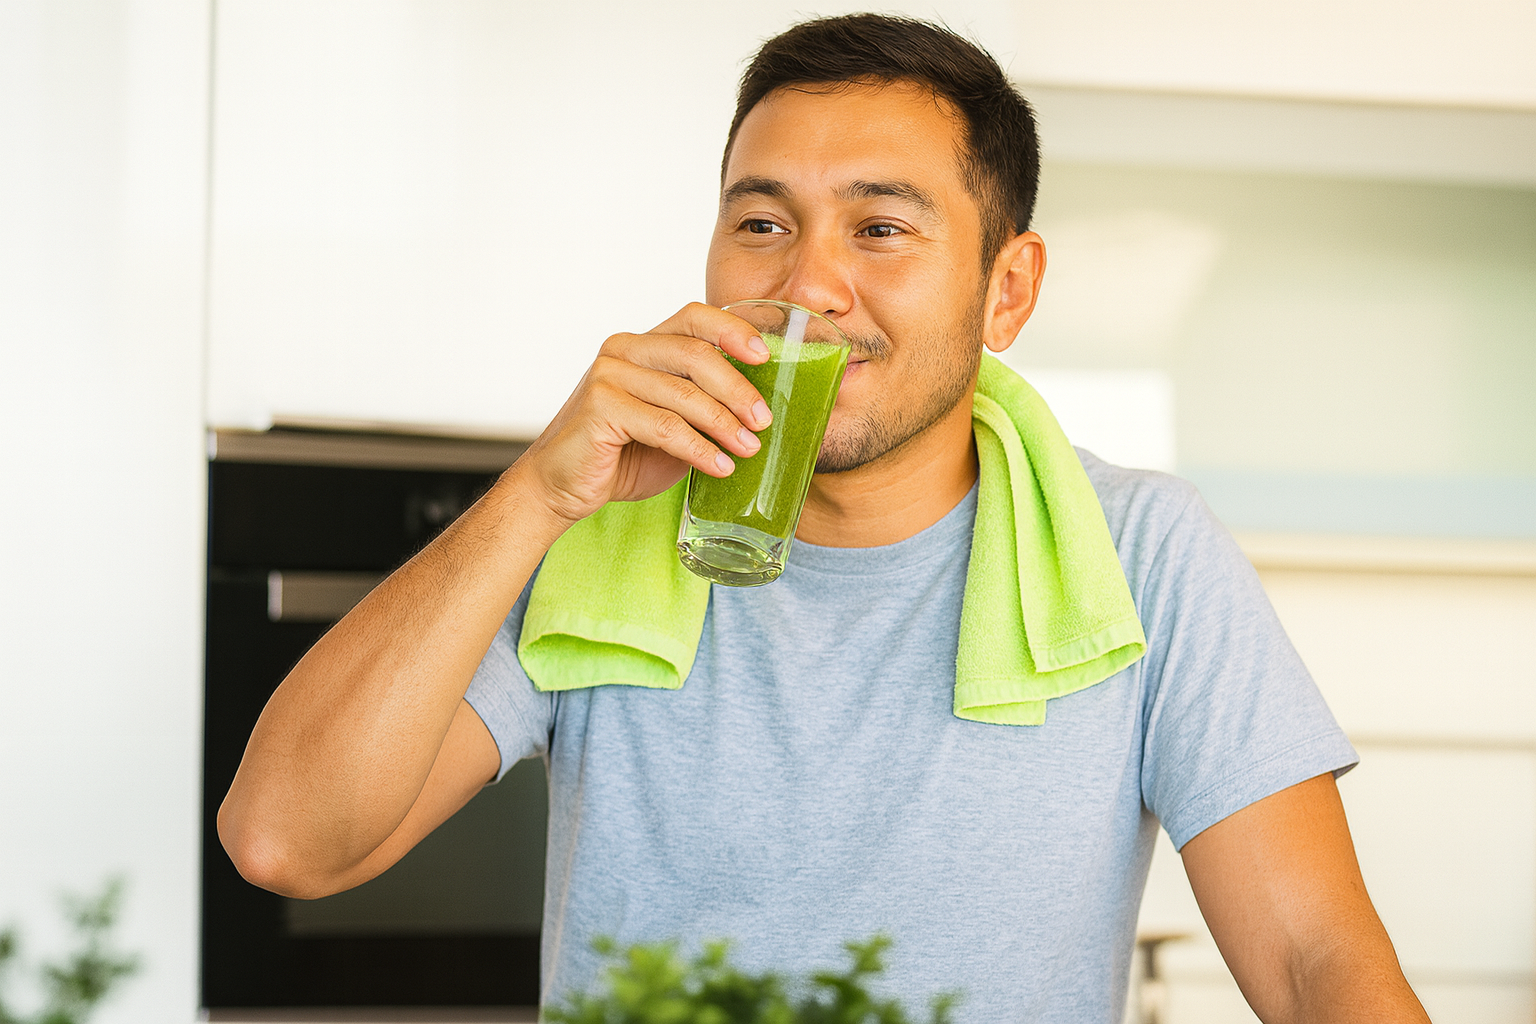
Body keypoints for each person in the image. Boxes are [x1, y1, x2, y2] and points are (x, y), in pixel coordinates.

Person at [218, 13, 1429, 1022]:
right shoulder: (592, 529)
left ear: (1006, 291)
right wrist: (535, 491)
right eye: (762, 222)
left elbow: (1314, 959)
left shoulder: (1142, 553)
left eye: (881, 227)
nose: (806, 284)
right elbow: (285, 841)